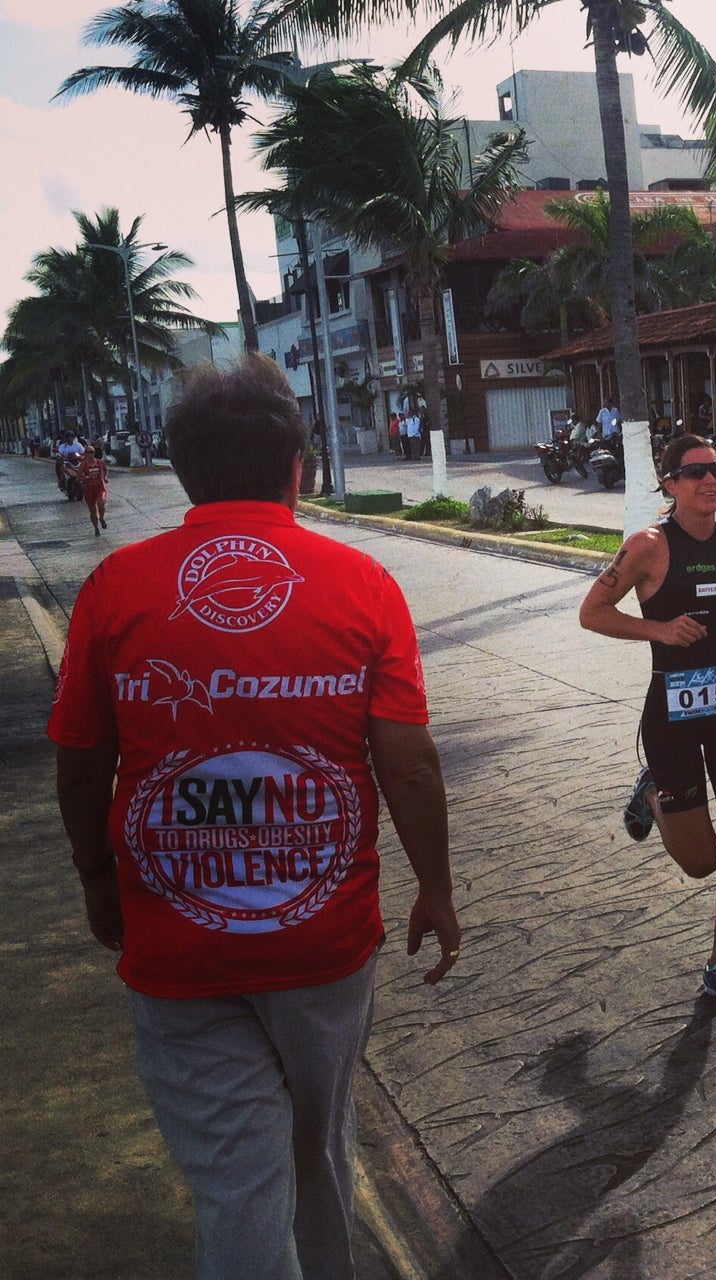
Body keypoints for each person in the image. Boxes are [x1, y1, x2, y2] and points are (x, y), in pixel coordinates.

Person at [48, 353, 458, 1280]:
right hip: (324, 948)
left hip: (175, 946)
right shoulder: (363, 584)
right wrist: (436, 889)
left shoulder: (115, 588)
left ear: (185, 469)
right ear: (298, 468)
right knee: (319, 1155)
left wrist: (94, 880)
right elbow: (410, 763)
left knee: (237, 1185)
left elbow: (80, 765)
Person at [578, 433, 716, 1014]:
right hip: (671, 719)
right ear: (670, 483)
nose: (711, 480)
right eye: (695, 471)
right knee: (702, 862)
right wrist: (660, 630)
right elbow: (592, 613)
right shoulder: (648, 547)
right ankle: (650, 789)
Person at [71, 442, 109, 536]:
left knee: (101, 504)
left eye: (92, 452)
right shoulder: (83, 465)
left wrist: (105, 477)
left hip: (99, 487)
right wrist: (85, 478)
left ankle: (102, 518)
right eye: (88, 452)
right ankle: (96, 528)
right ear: (85, 454)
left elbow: (105, 470)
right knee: (92, 510)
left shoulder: (100, 462)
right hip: (89, 489)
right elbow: (78, 477)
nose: (90, 454)